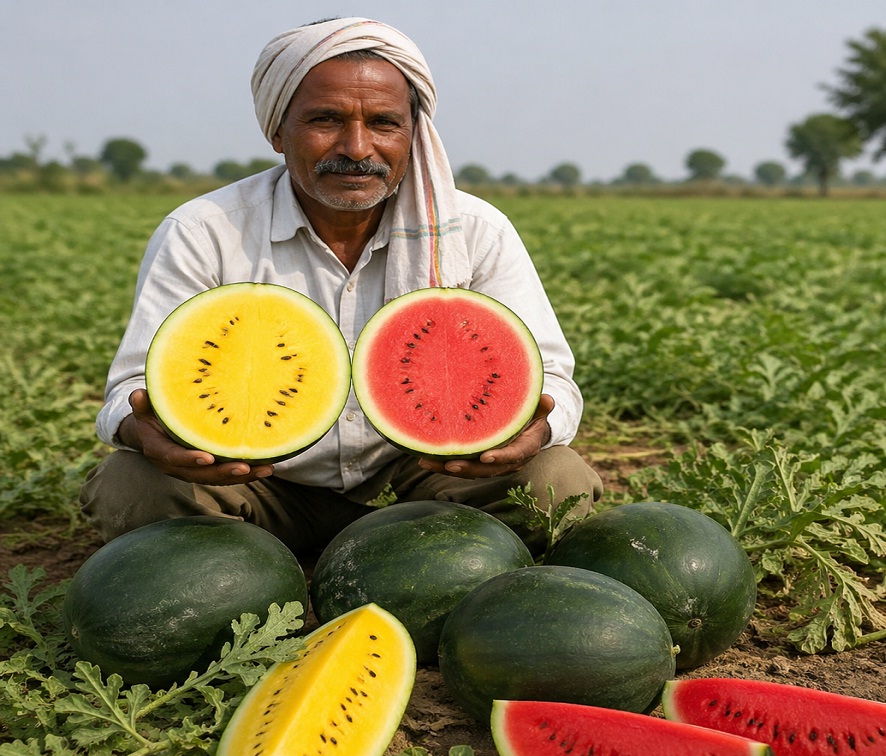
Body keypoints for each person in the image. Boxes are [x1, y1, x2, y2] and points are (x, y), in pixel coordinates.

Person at [79, 17, 603, 556]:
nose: (357, 147)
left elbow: (551, 379)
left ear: (414, 133)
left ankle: (298, 554)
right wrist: (150, 434)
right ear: (278, 131)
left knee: (555, 483)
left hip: (428, 478)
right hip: (251, 481)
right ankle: (350, 559)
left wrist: (531, 429)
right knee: (134, 488)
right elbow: (133, 388)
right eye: (326, 119)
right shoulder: (204, 231)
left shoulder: (475, 231)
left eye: (383, 123)